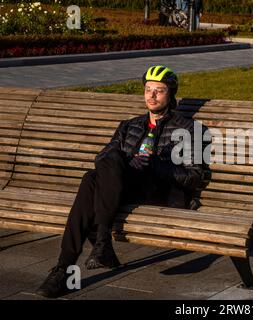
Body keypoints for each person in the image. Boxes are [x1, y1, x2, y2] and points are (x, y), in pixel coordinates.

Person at [36, 65, 204, 298]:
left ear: (171, 94)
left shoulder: (189, 129)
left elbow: (194, 176)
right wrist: (125, 164)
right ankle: (69, 264)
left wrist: (156, 165)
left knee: (90, 181)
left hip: (160, 191)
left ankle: (77, 259)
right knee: (98, 171)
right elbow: (103, 158)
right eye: (148, 90)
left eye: (159, 90)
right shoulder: (130, 125)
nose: (152, 96)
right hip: (123, 188)